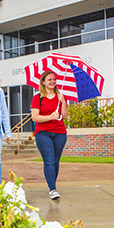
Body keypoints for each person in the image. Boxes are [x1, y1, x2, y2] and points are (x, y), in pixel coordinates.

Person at [31, 71, 68, 200]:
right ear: (43, 82)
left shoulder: (61, 97)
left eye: (54, 79)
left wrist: (63, 102)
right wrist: (50, 117)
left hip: (60, 133)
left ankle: (52, 184)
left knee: (56, 161)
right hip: (43, 133)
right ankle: (52, 189)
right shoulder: (38, 98)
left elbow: (64, 116)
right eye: (49, 79)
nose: (52, 81)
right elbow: (35, 117)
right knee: (49, 160)